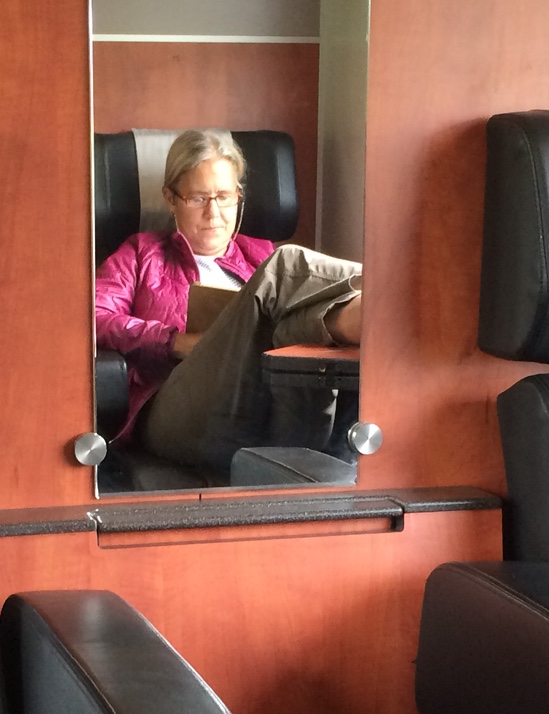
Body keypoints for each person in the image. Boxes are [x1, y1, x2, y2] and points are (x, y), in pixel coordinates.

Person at [94, 128, 362, 475]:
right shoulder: (141, 253)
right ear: (171, 199)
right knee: (285, 266)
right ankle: (376, 303)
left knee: (295, 323)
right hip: (174, 411)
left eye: (224, 196)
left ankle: (368, 315)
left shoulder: (259, 254)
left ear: (239, 197)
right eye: (198, 199)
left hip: (267, 404)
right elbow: (95, 317)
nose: (214, 212)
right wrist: (174, 341)